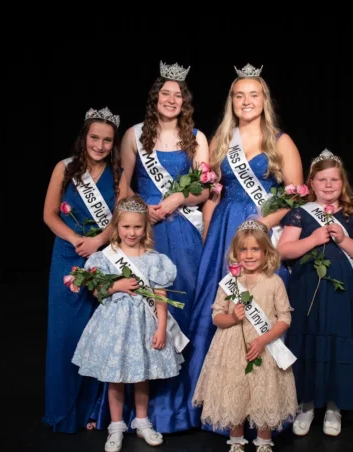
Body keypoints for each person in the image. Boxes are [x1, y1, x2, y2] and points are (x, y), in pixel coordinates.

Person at [188, 63, 303, 429]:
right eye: (240, 95)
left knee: (261, 315)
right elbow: (211, 195)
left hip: (261, 233)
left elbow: (296, 196)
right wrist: (209, 234)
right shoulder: (222, 139)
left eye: (254, 94)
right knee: (223, 314)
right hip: (224, 231)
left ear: (264, 100)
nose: (246, 101)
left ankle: (261, 413)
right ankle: (223, 410)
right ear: (232, 102)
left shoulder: (280, 141)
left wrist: (260, 226)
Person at [119, 60, 209, 432]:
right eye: (165, 93)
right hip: (147, 233)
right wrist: (142, 211)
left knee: (182, 307)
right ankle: (145, 411)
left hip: (184, 230)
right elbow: (123, 186)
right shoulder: (134, 135)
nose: (171, 99)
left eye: (178, 95)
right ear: (155, 98)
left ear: (184, 101)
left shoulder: (197, 138)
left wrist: (175, 201)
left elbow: (204, 189)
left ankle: (184, 407)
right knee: (145, 312)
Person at [71, 195, 185, 452]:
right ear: (116, 227)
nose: (131, 232)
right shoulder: (106, 257)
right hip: (115, 326)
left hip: (145, 325)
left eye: (137, 227)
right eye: (126, 226)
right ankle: (116, 425)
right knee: (116, 377)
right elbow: (96, 291)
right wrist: (117, 285)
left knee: (142, 375)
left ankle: (142, 421)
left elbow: (161, 298)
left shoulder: (154, 259)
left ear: (145, 227)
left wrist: (161, 327)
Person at [277, 149, 353, 437]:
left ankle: (335, 406)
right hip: (307, 290)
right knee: (307, 341)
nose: (329, 185)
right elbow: (283, 250)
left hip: (341, 295)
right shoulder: (300, 213)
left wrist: (344, 240)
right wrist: (312, 239)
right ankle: (306, 405)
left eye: (334, 179)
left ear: (342, 182)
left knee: (337, 342)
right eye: (323, 179)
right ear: (311, 182)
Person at [42, 106, 128, 433]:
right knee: (64, 336)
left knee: (98, 336)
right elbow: (50, 214)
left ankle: (95, 410)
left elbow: (119, 218)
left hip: (101, 258)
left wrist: (99, 241)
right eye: (95, 137)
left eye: (107, 140)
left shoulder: (118, 173)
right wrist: (77, 238)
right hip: (67, 256)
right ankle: (63, 409)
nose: (100, 145)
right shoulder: (64, 169)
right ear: (84, 137)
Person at [192, 219, 297, 452]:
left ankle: (263, 441)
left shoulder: (274, 281)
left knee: (263, 391)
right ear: (236, 253)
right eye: (243, 249)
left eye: (255, 249)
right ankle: (236, 441)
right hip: (231, 347)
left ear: (266, 252)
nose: (249, 255)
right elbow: (216, 315)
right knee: (235, 391)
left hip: (264, 346)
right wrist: (233, 318)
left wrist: (262, 340)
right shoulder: (230, 283)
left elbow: (285, 319)